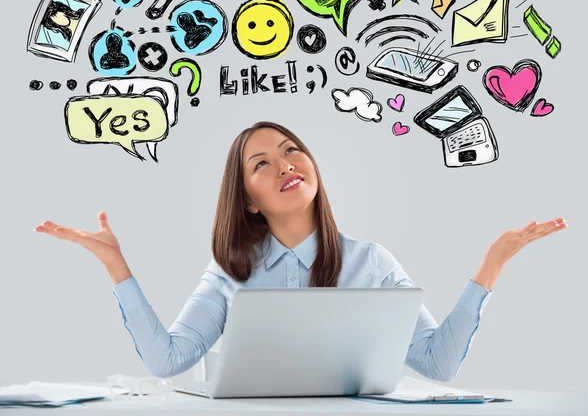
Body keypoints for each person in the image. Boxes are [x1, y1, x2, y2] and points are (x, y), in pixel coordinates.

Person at [35, 121, 567, 381]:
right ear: (247, 199)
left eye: (292, 151)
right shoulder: (228, 274)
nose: (286, 164)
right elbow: (167, 359)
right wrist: (115, 264)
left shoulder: (370, 262)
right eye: (262, 163)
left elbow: (437, 362)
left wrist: (492, 265)